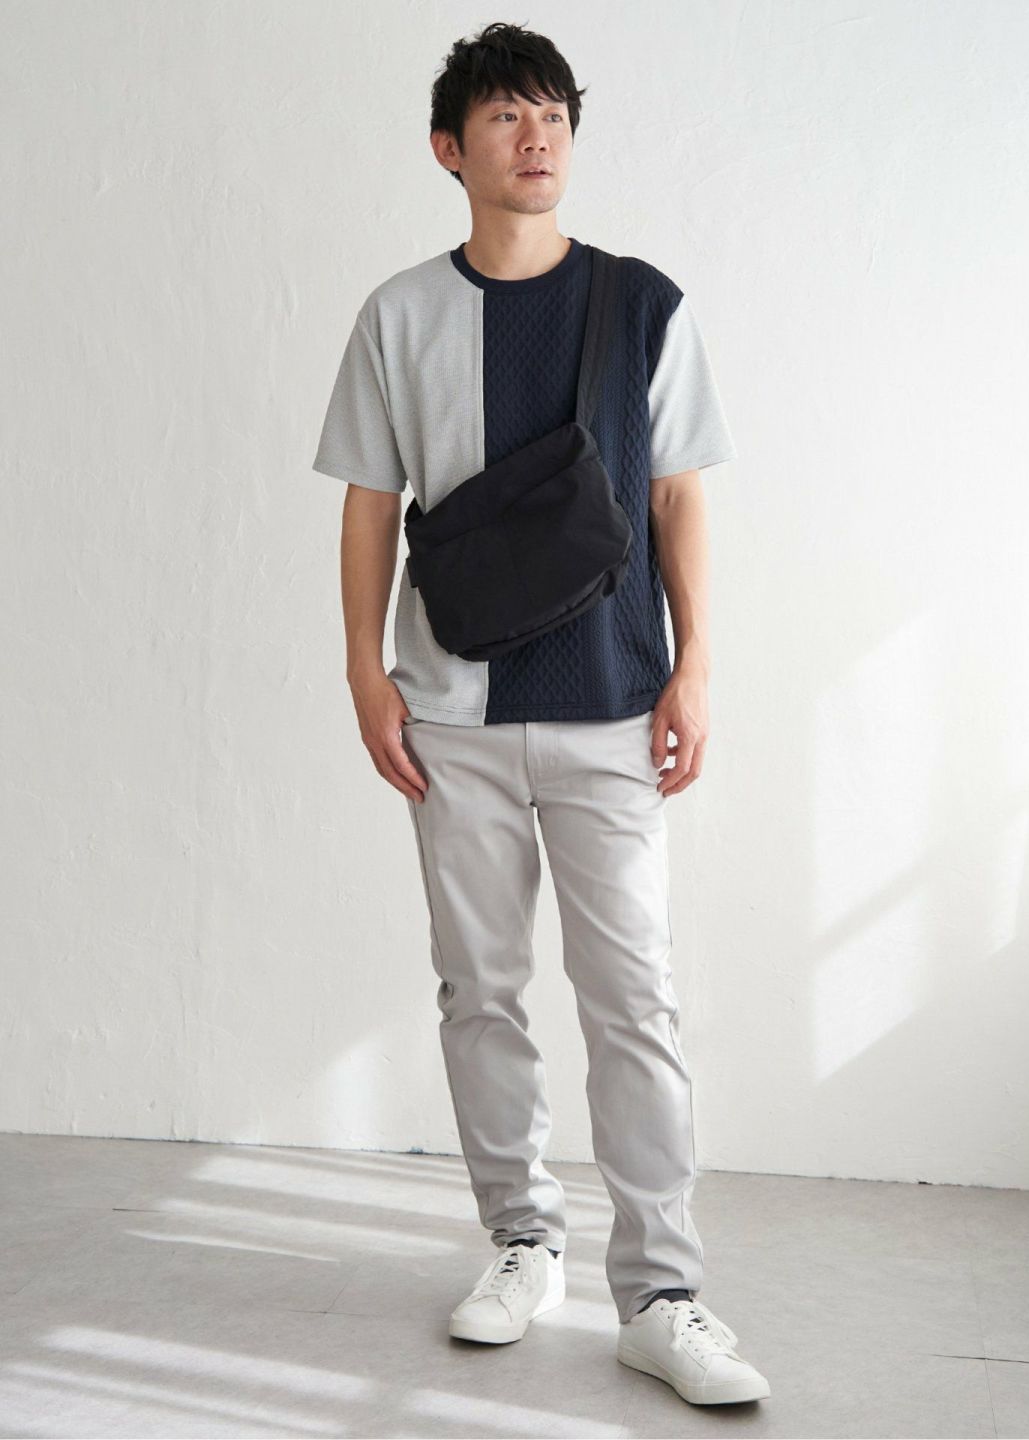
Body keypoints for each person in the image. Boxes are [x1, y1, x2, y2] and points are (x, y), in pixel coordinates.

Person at [310, 20, 769, 1408]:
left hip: (614, 705)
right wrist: (364, 674)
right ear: (449, 148)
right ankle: (523, 1241)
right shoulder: (399, 315)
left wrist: (696, 665)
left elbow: (680, 494)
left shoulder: (644, 306)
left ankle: (664, 1292)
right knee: (481, 992)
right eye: (507, 115)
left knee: (635, 999)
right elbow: (370, 508)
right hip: (449, 711)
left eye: (554, 112)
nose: (538, 136)